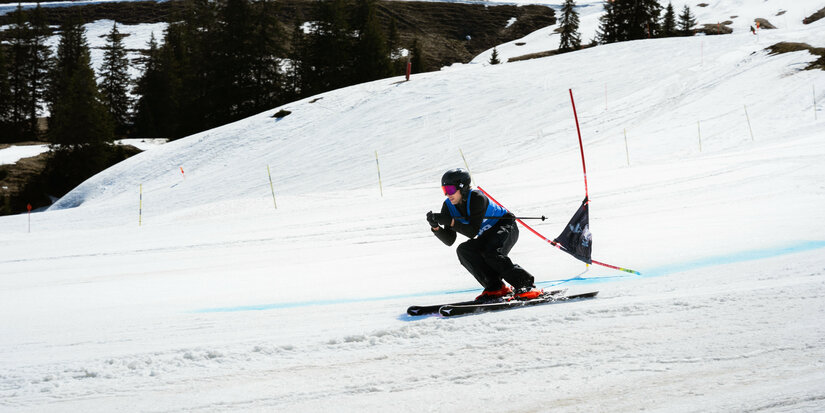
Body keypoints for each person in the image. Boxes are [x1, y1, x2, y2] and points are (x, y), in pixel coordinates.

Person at [427, 168, 542, 302]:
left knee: (491, 252)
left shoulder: (476, 197)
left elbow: (472, 232)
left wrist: (450, 221)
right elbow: (450, 240)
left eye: (450, 190)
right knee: (464, 250)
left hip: (505, 225)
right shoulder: (448, 205)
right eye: (444, 190)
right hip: (487, 234)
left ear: (462, 187)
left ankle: (525, 285)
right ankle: (495, 287)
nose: (447, 194)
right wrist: (435, 227)